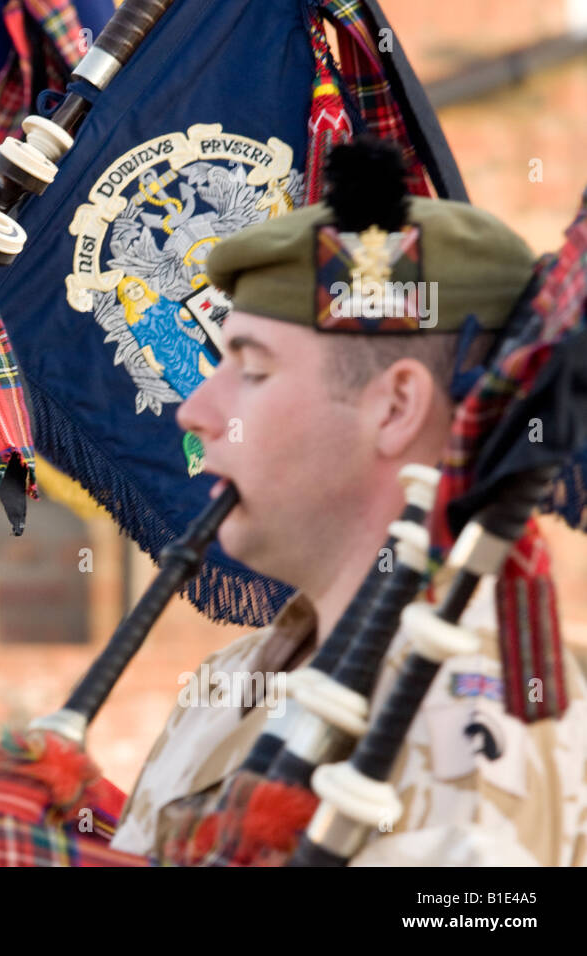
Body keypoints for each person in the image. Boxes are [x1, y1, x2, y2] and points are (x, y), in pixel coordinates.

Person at [109, 140, 587, 866]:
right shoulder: (234, 675)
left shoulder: (470, 701)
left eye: (252, 370)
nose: (195, 410)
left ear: (395, 407)